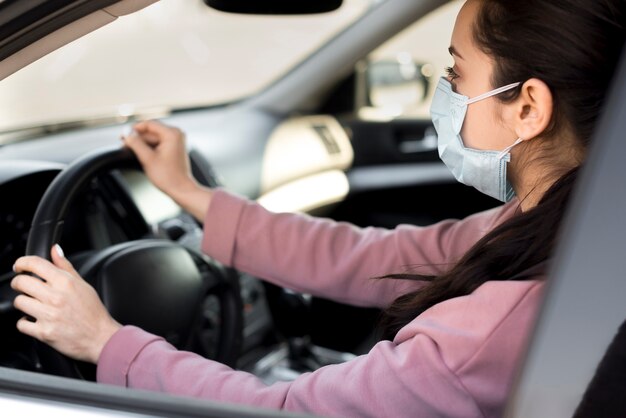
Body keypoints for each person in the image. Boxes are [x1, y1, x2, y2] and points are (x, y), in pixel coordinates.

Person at [9, 0, 625, 416]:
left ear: (528, 108)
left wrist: (105, 339)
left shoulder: (489, 330)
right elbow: (379, 258)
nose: (445, 91)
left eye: (456, 72)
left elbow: (285, 410)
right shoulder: (564, 224)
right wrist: (196, 196)